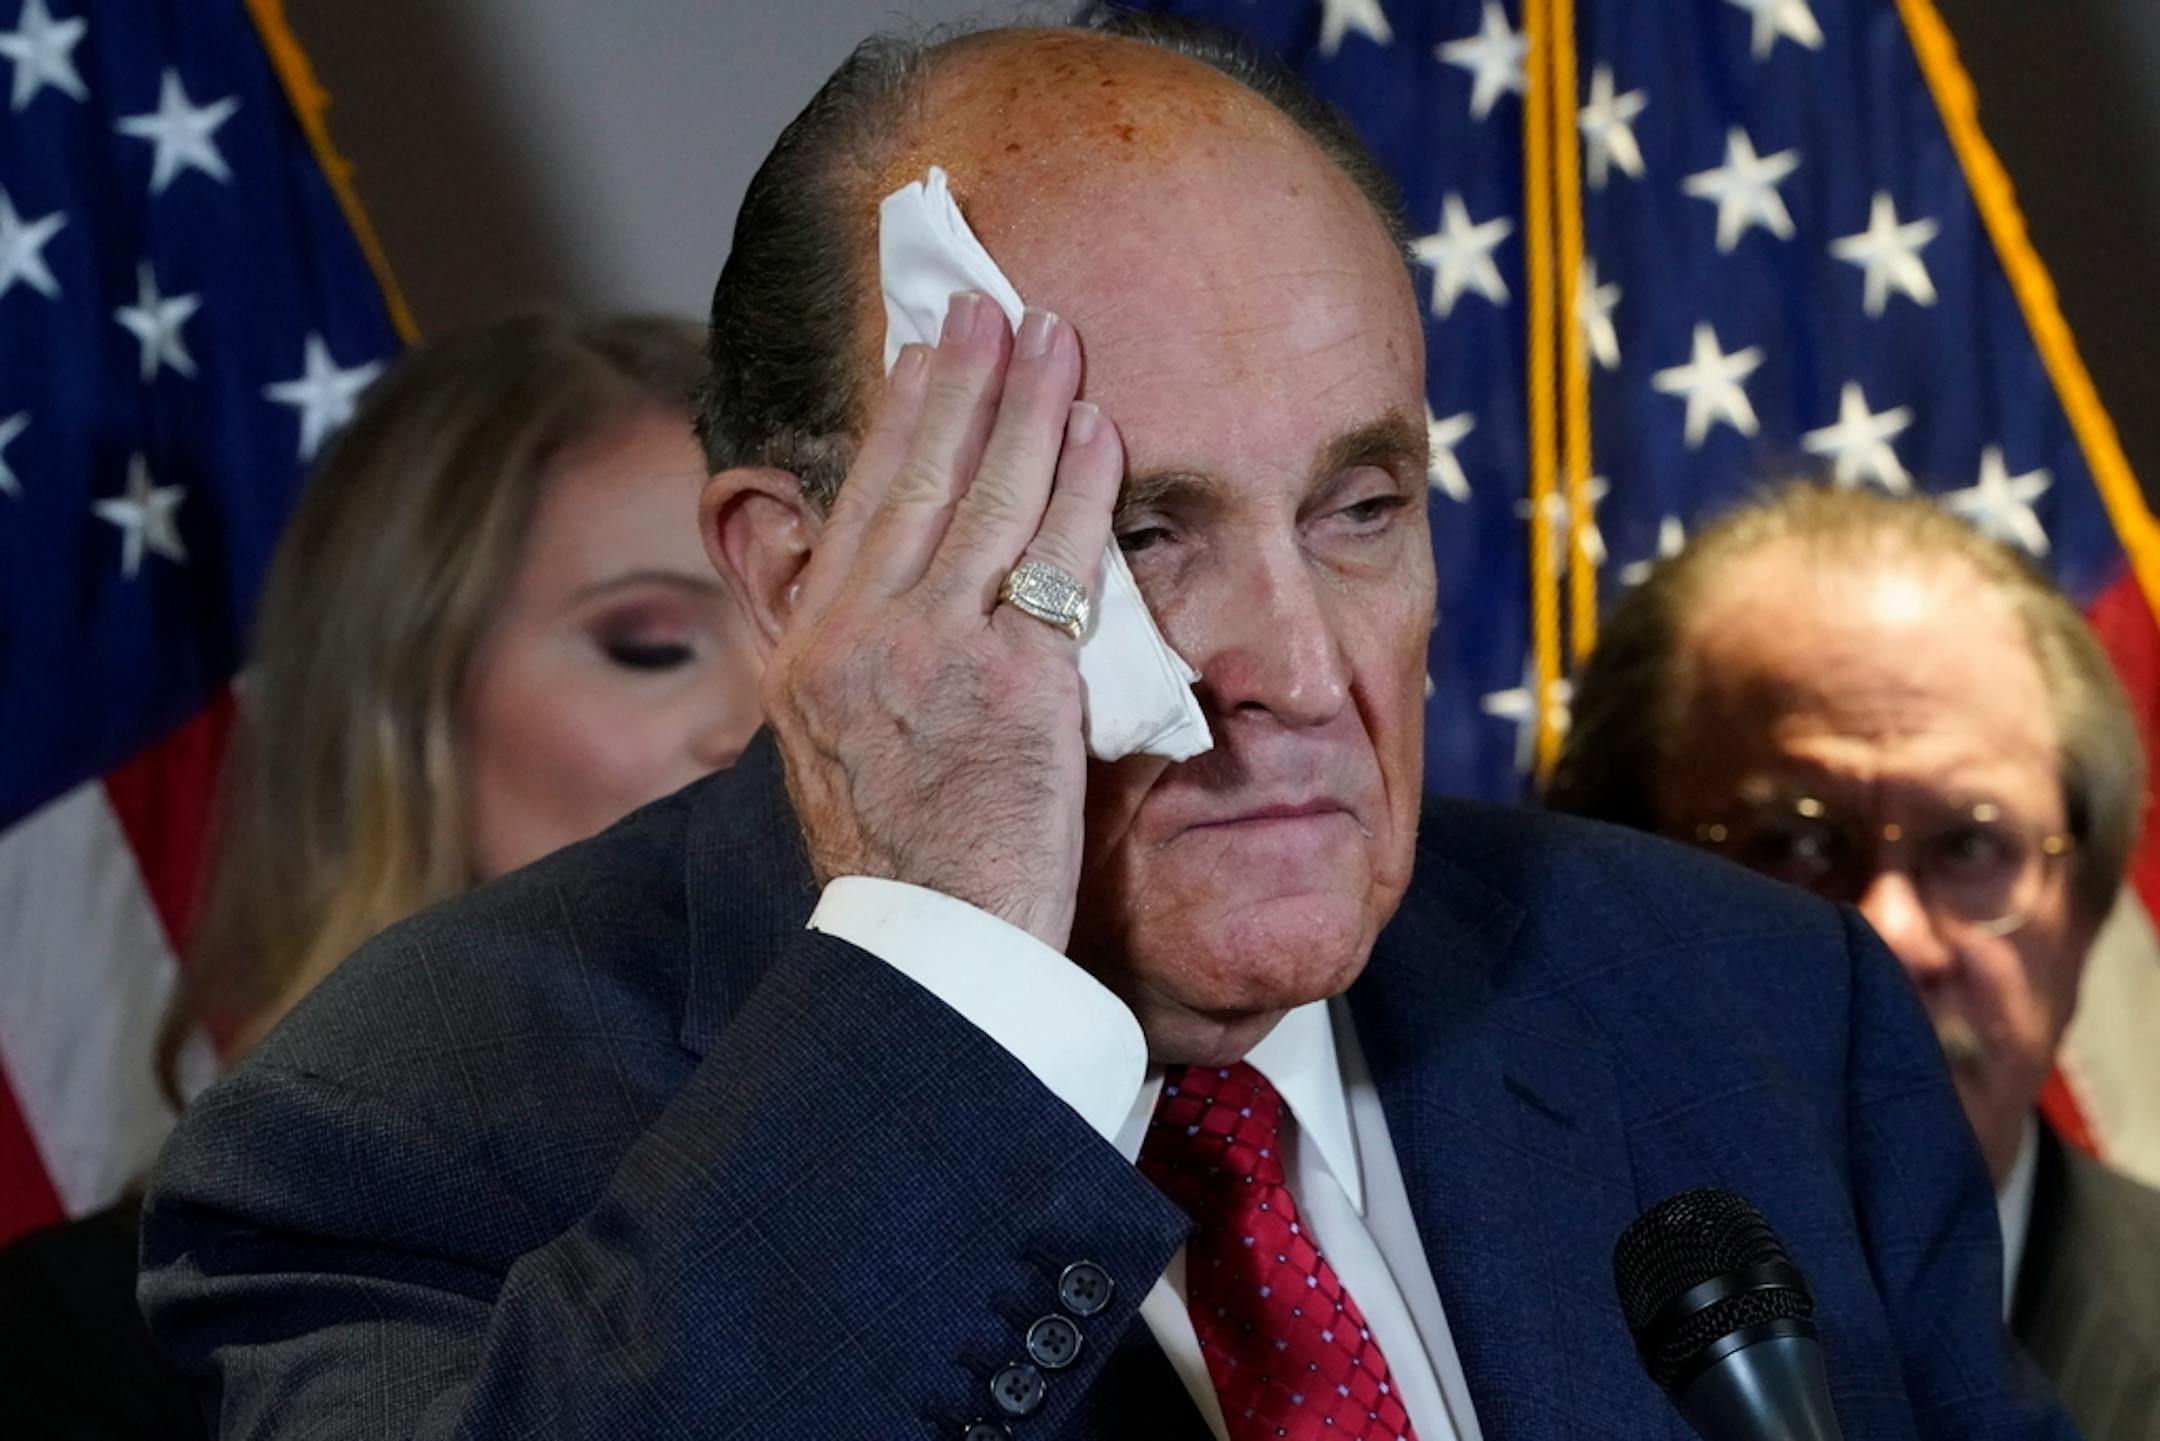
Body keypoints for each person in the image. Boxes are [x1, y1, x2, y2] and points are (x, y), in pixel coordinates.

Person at [139, 16, 2072, 1440]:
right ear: (802, 583)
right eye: (1137, 533)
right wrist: (959, 968)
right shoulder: (390, 1133)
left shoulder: (1749, 1013)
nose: (1300, 670)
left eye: (1362, 507)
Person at [0, 311, 762, 1441]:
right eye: (649, 644)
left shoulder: (1031, 1181)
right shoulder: (66, 1356)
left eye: (809, 630)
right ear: (404, 723)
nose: (772, 718)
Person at [1550, 482, 2160, 1439]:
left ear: (2082, 910)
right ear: (1616, 875)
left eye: (1969, 845)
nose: (1887, 938)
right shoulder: (1485, 1319)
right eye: (1794, 843)